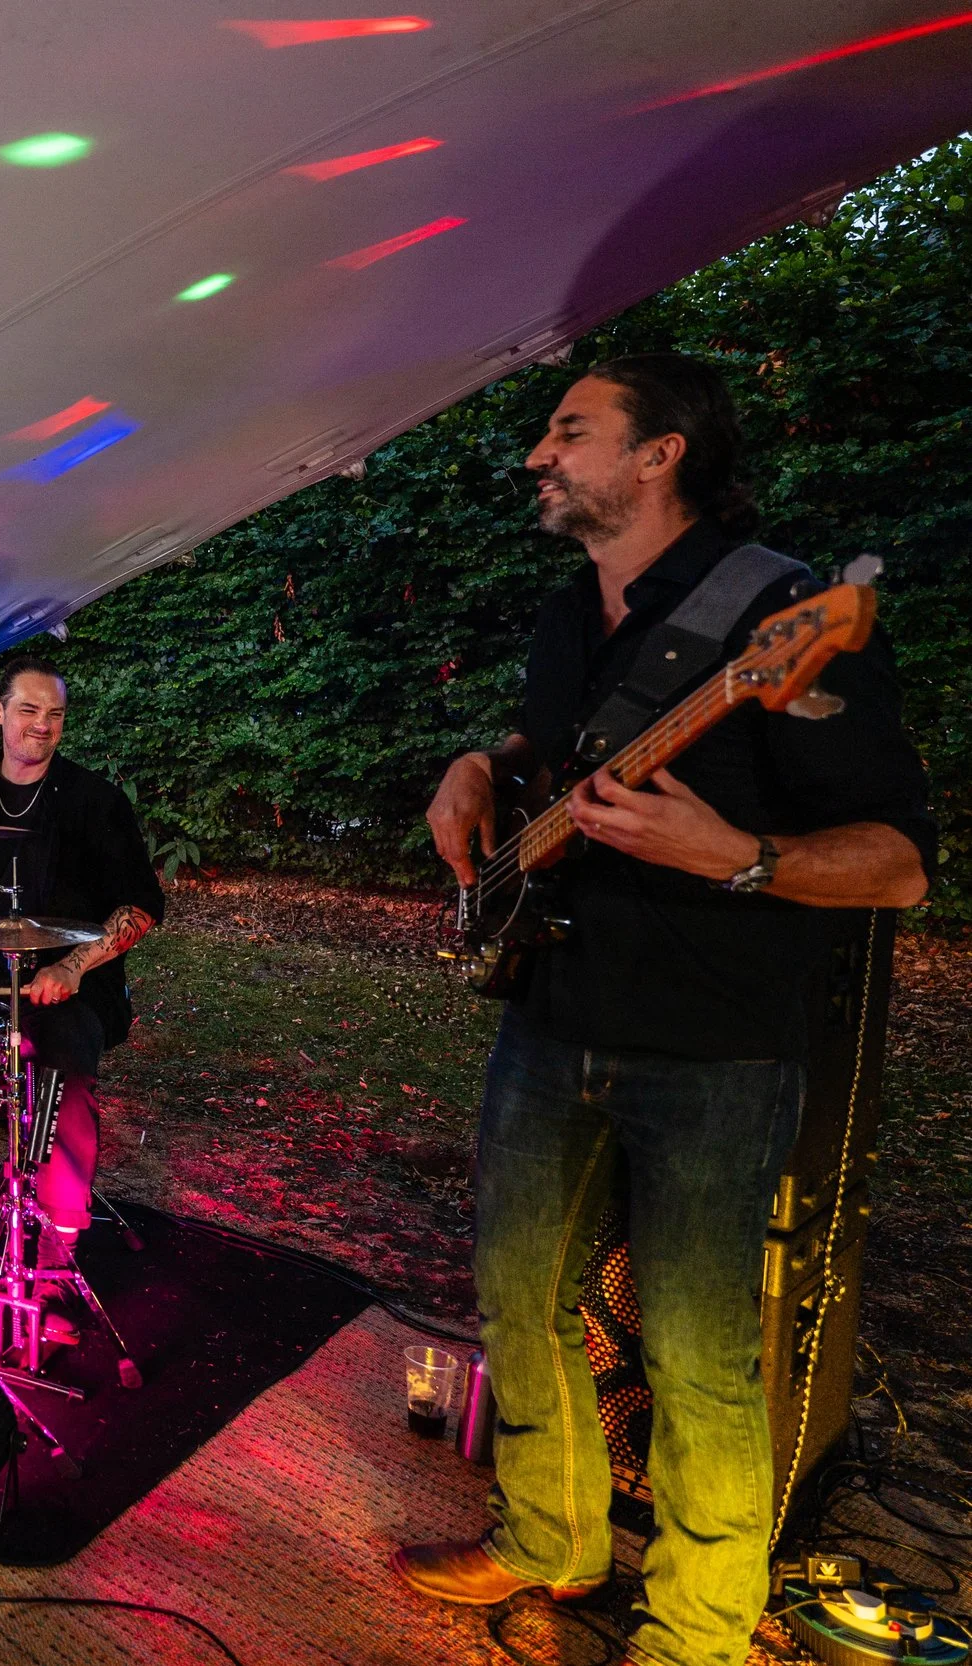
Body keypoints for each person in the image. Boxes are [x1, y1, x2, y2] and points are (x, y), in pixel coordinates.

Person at [401, 354, 934, 1666]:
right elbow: (552, 759)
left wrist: (737, 854)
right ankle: (548, 1539)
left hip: (715, 1048)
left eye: (568, 429)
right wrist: (480, 764)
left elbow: (901, 861)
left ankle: (696, 1629)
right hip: (552, 1012)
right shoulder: (568, 613)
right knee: (518, 1299)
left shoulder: (785, 614)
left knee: (700, 1356)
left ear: (661, 455)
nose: (537, 453)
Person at [0, 654, 163, 1337]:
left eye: (54, 715)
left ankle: (58, 1247)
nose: (41, 727)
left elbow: (140, 908)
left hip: (71, 982)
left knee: (64, 1062)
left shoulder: (96, 803)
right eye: (27, 711)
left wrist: (78, 966)